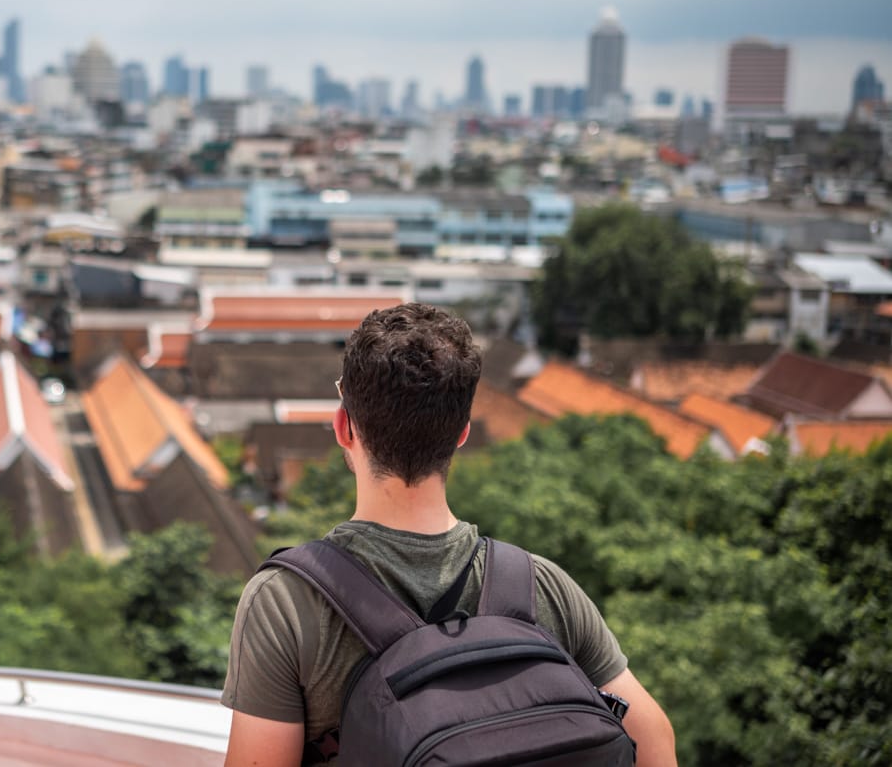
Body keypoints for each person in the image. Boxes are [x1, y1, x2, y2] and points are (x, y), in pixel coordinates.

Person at [222, 304, 675, 767]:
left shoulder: (285, 604)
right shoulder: (544, 587)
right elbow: (655, 740)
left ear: (344, 428)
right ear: (461, 433)